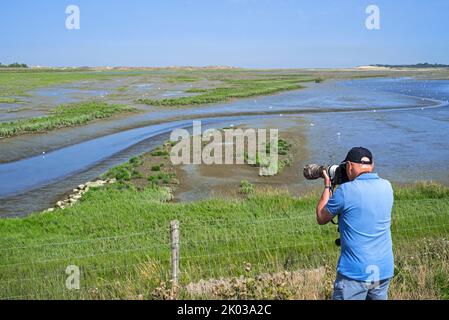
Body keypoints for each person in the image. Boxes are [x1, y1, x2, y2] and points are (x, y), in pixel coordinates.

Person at [315, 147, 394, 300]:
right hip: (382, 268)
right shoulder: (387, 186)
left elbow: (321, 217)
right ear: (372, 165)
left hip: (356, 272)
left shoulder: (345, 191)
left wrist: (328, 185)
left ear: (349, 166)